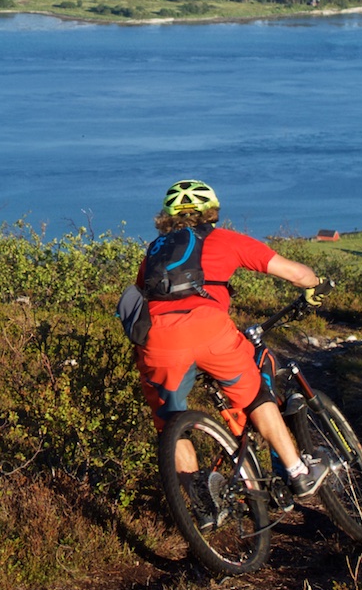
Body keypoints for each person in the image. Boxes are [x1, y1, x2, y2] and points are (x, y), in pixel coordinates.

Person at [135, 178, 334, 500]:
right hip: (210, 330)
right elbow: (297, 274)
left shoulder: (155, 252)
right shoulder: (224, 240)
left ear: (167, 216)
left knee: (170, 422)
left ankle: (201, 508)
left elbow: (139, 297)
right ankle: (298, 472)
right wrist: (316, 285)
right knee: (256, 396)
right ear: (211, 211)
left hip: (158, 339)